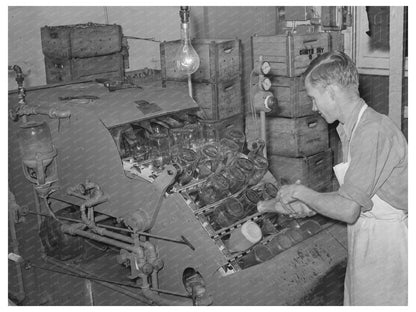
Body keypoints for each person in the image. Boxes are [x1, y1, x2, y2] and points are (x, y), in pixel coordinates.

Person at [258, 51, 408, 306]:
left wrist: (302, 193)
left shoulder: (373, 132)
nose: (314, 107)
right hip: (367, 239)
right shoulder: (352, 129)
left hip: (388, 249)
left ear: (331, 91)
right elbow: (353, 195)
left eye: (313, 98)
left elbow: (349, 209)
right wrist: (312, 204)